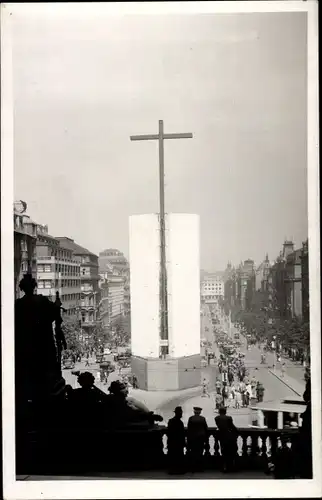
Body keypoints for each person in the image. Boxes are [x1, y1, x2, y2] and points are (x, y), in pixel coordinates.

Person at [215, 407, 238, 472]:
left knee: (224, 452)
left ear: (219, 412)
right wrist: (237, 431)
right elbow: (232, 426)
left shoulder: (216, 418)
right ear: (225, 412)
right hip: (230, 436)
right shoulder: (229, 418)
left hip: (222, 437)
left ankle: (225, 467)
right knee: (231, 452)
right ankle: (231, 466)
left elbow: (219, 426)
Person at [187, 407, 208, 472]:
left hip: (193, 438)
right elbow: (205, 428)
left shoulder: (191, 418)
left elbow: (189, 429)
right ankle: (200, 468)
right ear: (200, 412)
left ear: (194, 412)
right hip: (201, 437)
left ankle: (193, 467)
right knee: (200, 452)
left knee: (193, 452)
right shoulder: (202, 418)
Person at [167, 407, 186, 474]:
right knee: (179, 456)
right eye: (181, 413)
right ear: (179, 413)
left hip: (172, 442)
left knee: (172, 456)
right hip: (178, 442)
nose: (181, 414)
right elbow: (182, 434)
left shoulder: (170, 421)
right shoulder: (180, 423)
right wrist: (184, 442)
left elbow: (169, 433)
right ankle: (179, 469)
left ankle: (172, 470)